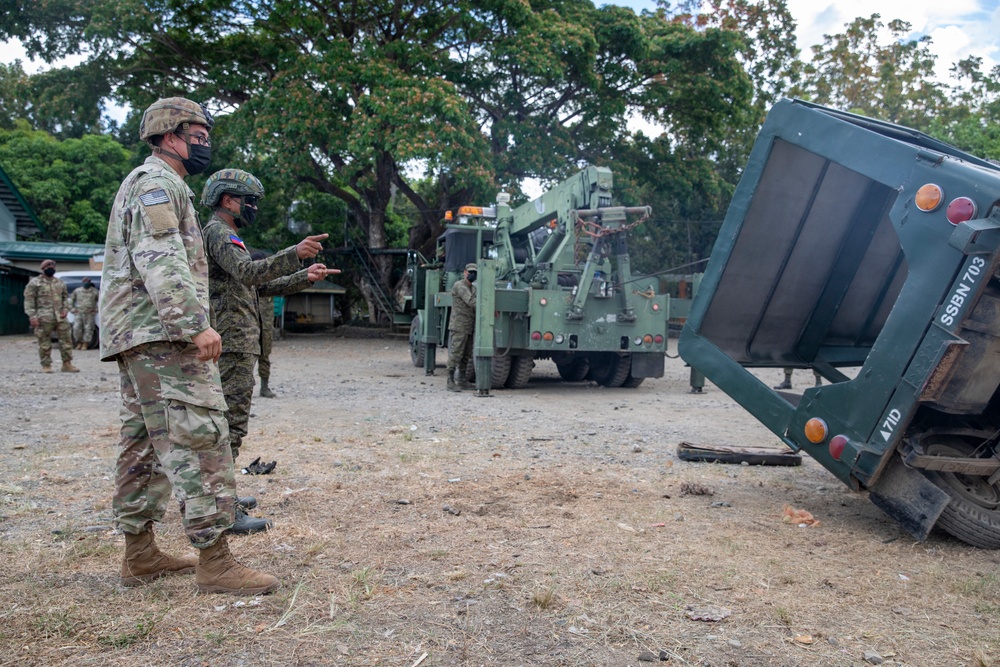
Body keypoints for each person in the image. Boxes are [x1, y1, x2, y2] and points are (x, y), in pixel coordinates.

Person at [99, 96, 277, 595]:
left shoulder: (153, 184)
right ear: (167, 135)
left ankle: (139, 553)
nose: (204, 145)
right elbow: (160, 258)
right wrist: (196, 323)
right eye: (196, 136)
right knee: (201, 438)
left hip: (139, 335)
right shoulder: (158, 183)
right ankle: (215, 561)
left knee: (141, 443)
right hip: (163, 334)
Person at [201, 168, 337, 533]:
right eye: (249, 201)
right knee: (230, 426)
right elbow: (248, 273)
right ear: (228, 200)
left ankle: (222, 496)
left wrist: (303, 276)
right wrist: (293, 253)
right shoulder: (218, 233)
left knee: (231, 425)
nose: (253, 208)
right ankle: (222, 509)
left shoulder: (228, 235)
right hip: (231, 343)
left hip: (238, 342)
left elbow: (257, 287)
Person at [23, 259, 78, 373]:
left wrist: (65, 309)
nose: (51, 269)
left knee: (66, 341)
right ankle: (46, 365)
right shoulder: (35, 283)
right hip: (43, 317)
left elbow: (65, 298)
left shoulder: (60, 282)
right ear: (43, 269)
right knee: (44, 342)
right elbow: (29, 301)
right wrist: (32, 316)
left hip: (60, 317)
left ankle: (67, 364)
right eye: (48, 267)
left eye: (53, 267)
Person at [446, 263, 477, 392]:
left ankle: (462, 380)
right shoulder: (459, 286)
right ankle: (450, 380)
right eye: (470, 272)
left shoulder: (474, 288)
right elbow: (471, 301)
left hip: (469, 325)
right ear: (465, 272)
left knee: (466, 354)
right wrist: (488, 303)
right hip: (459, 325)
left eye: (475, 273)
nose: (472, 275)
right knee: (456, 353)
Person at [249, 251, 276, 399]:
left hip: (265, 328)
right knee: (246, 359)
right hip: (249, 328)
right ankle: (244, 388)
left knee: (264, 357)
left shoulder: (270, 285)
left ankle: (264, 387)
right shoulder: (247, 285)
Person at [70, 276, 99, 350]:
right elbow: (71, 301)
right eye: (85, 281)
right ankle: (78, 343)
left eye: (88, 281)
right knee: (76, 328)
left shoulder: (95, 291)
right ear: (82, 282)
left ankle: (85, 344)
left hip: (89, 313)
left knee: (88, 329)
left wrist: (96, 309)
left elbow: (101, 301)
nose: (86, 283)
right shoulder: (77, 291)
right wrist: (72, 309)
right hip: (79, 313)